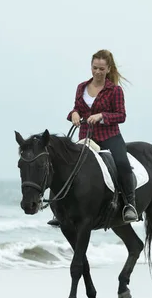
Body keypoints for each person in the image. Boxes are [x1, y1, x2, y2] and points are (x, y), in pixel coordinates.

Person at [48, 49, 138, 226]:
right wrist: (73, 114)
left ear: (108, 69)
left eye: (101, 69)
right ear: (91, 66)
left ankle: (129, 205)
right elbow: (77, 108)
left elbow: (121, 115)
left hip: (110, 136)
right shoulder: (81, 87)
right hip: (86, 137)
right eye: (95, 68)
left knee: (122, 164)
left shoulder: (115, 90)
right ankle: (59, 209)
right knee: (66, 166)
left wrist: (101, 116)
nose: (97, 72)